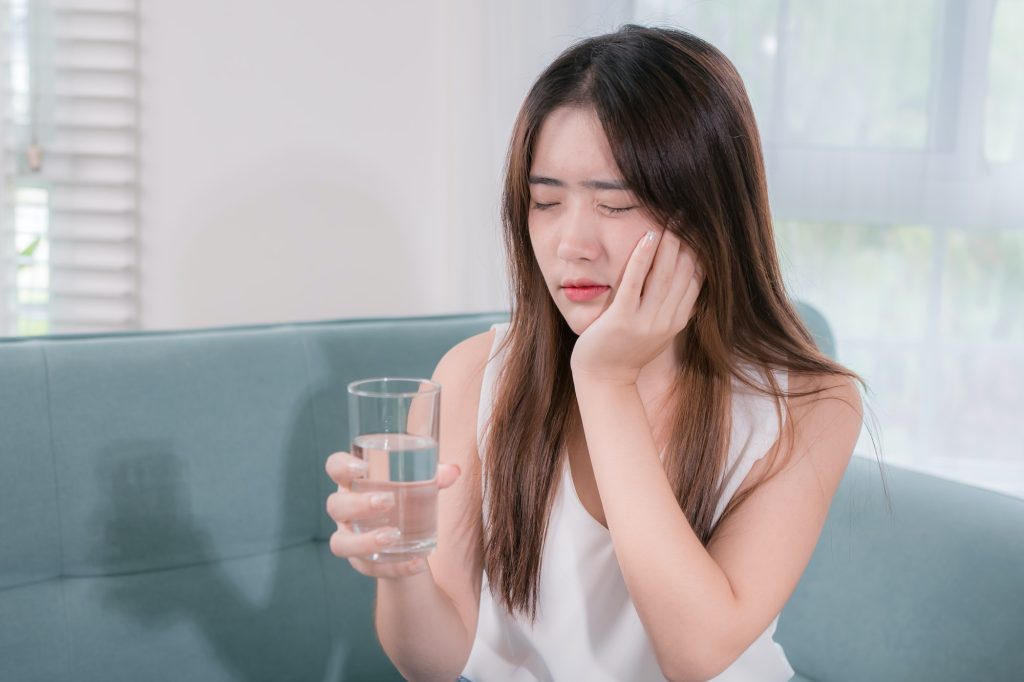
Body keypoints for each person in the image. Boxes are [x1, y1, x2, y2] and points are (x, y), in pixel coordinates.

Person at [325, 24, 863, 681]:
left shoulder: (810, 405)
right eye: (545, 201)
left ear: (709, 212)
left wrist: (605, 380)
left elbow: (697, 656)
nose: (571, 243)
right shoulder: (472, 376)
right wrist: (400, 569)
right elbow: (432, 664)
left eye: (617, 204)